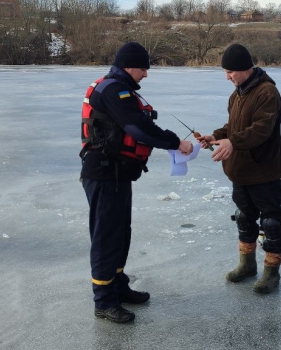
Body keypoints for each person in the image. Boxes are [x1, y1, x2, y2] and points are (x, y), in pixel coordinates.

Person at [80, 42, 194, 323]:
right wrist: (176, 142)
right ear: (129, 66)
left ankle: (117, 286)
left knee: (121, 233)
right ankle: (104, 301)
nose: (146, 74)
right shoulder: (112, 90)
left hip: (117, 175)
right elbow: (137, 128)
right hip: (105, 175)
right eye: (143, 68)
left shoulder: (120, 89)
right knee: (107, 238)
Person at [197, 43, 281, 294]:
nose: (227, 77)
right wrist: (215, 136)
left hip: (263, 171)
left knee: (270, 222)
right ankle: (247, 265)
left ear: (244, 68)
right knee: (245, 218)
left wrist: (232, 142)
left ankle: (271, 272)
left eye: (230, 72)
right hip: (240, 170)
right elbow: (233, 126)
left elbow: (261, 130)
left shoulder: (267, 92)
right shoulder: (237, 93)